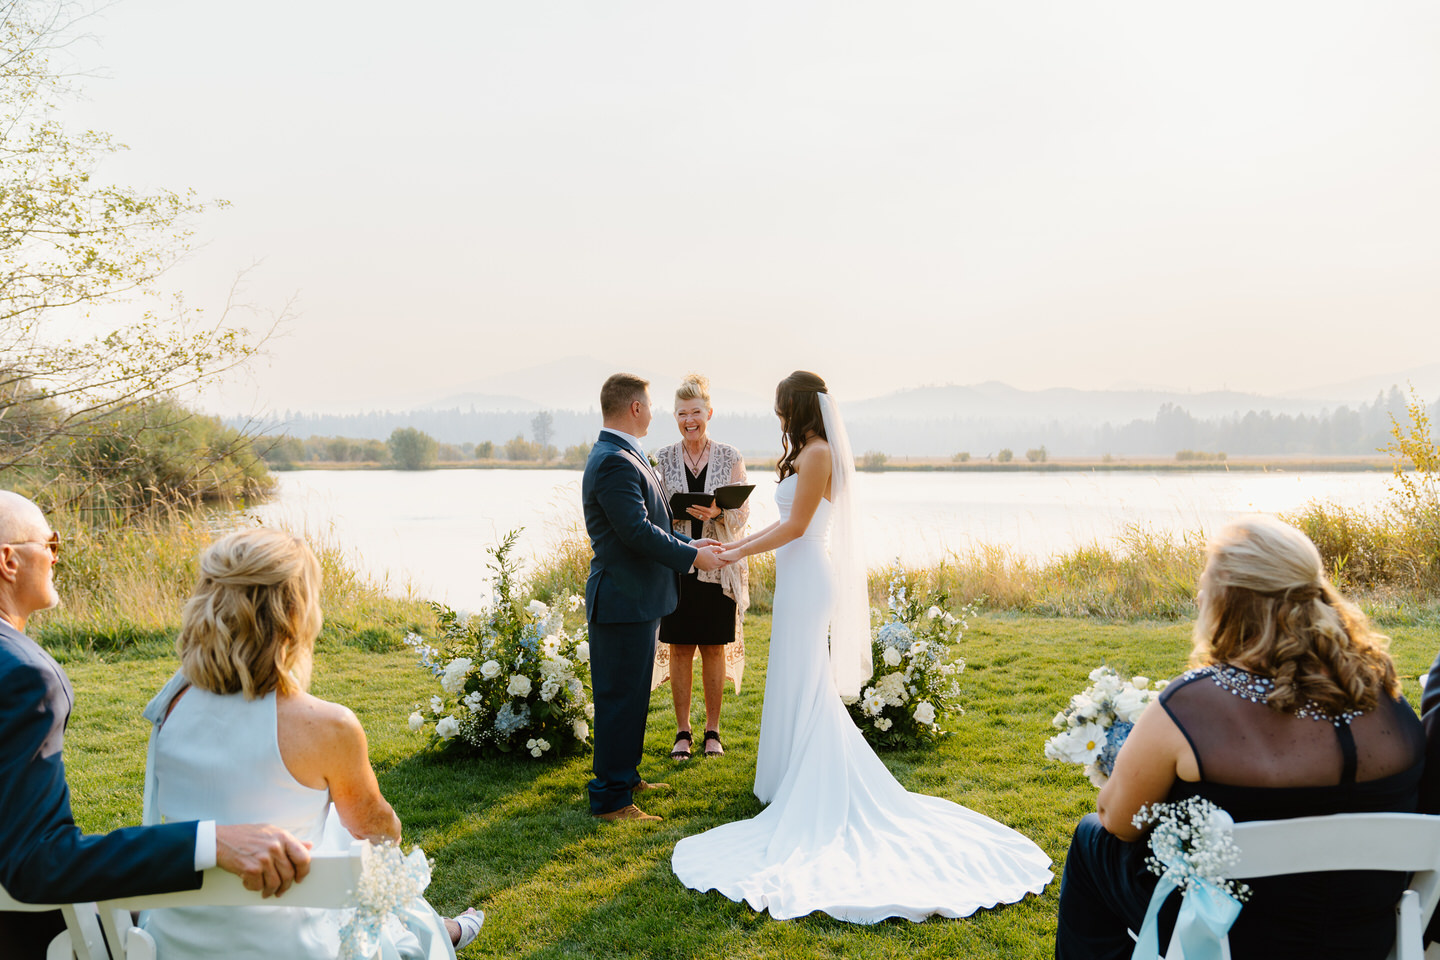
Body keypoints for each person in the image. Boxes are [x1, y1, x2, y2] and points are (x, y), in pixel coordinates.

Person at [670, 371, 1052, 922]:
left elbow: (798, 527)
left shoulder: (819, 452)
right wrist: (732, 545)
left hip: (809, 579)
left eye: (781, 408)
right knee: (794, 678)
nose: (778, 417)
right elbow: (782, 523)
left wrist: (733, 555)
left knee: (807, 681)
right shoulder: (808, 450)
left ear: (797, 408)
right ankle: (785, 776)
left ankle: (812, 779)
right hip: (797, 580)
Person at [1054, 515, 1424, 960]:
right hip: (1361, 936)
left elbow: (1118, 820)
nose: (1198, 592)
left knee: (1091, 837)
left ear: (1226, 595)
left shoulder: (1191, 705)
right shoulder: (1385, 698)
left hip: (1228, 936)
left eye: (1204, 580)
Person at [140, 527, 482, 959]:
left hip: (179, 942)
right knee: (352, 838)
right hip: (293, 947)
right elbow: (380, 834)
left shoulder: (170, 705)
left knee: (333, 833)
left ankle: (438, 926)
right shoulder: (329, 726)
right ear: (295, 612)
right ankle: (436, 928)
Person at [0, 491, 312, 960]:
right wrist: (212, 840)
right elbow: (37, 862)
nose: (54, 557)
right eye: (51, 543)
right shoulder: (24, 676)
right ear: (8, 559)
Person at [581, 373, 727, 822]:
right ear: (635, 408)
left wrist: (693, 546)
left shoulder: (624, 453)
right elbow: (635, 532)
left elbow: (650, 522)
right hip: (622, 599)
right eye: (650, 403)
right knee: (619, 698)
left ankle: (625, 776)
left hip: (636, 598)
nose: (655, 411)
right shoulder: (613, 461)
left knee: (630, 695)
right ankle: (611, 799)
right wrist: (689, 559)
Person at [652, 373, 750, 760]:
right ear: (674, 416)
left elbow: (743, 514)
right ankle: (682, 732)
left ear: (708, 412)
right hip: (678, 565)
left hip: (718, 565)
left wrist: (719, 509)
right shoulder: (663, 457)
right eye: (681, 413)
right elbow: (654, 511)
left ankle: (713, 731)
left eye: (695, 412)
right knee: (678, 648)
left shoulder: (730, 456)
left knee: (713, 647)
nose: (689, 420)